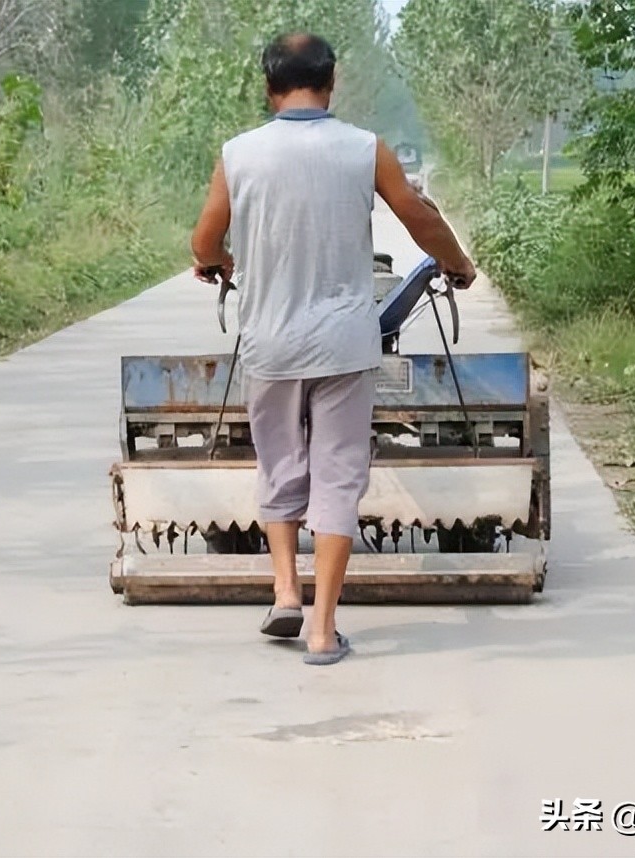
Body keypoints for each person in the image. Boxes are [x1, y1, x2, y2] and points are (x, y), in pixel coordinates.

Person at [189, 32, 476, 665]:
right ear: (332, 82)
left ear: (268, 86)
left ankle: (285, 591)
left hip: (269, 344)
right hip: (345, 346)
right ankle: (322, 630)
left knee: (280, 467)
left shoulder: (239, 155)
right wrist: (457, 263)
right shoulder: (364, 149)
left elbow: (204, 240)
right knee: (338, 478)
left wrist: (217, 262)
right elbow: (418, 217)